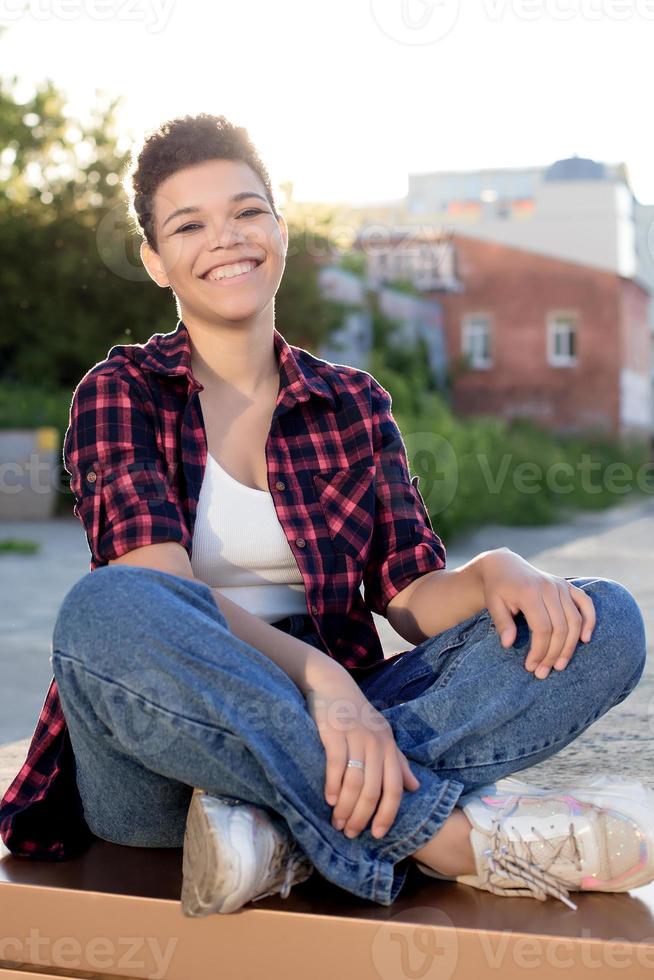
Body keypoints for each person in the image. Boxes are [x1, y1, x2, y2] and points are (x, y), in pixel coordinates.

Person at [1, 114, 651, 918]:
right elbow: (161, 597)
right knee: (105, 609)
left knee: (604, 619)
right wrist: (323, 681)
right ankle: (437, 836)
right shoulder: (120, 390)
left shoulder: (351, 402)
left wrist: (493, 574)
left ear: (280, 226)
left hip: (355, 721)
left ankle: (277, 835)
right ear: (154, 259)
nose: (226, 239)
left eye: (247, 211)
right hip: (168, 753)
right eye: (189, 224)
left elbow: (410, 598)